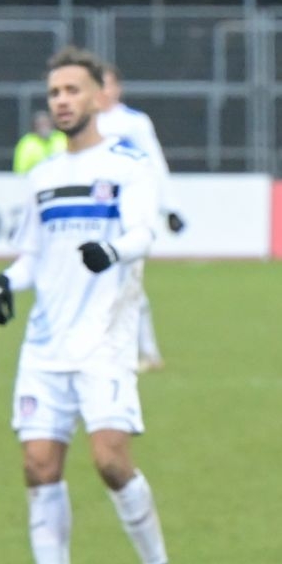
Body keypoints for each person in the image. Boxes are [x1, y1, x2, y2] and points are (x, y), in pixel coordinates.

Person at [0, 47, 185, 564]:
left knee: (110, 462)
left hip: (105, 341)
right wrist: (1, 283)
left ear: (98, 97)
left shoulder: (127, 166)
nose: (62, 101)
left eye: (72, 90)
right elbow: (30, 255)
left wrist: (112, 249)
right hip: (44, 346)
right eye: (54, 93)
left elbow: (143, 231)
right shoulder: (42, 175)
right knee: (39, 466)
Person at [97, 64, 183, 371]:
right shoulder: (86, 124)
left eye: (106, 84)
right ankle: (136, 351)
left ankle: (144, 351)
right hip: (96, 215)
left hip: (130, 213)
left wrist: (169, 207)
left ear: (117, 88)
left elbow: (155, 162)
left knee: (128, 281)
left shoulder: (132, 122)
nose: (101, 91)